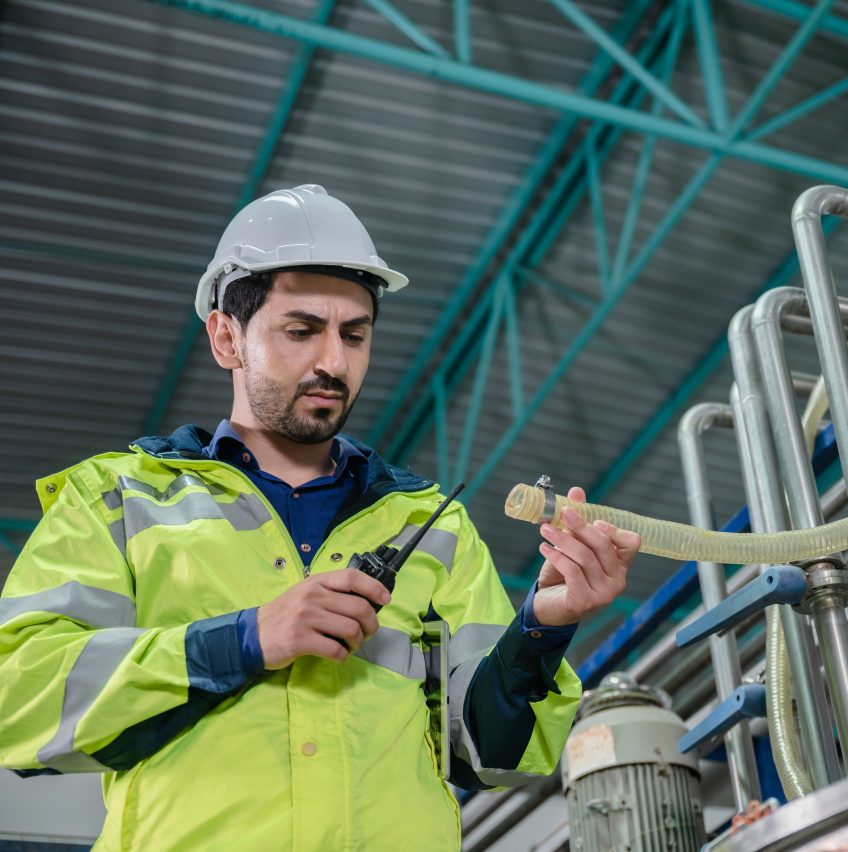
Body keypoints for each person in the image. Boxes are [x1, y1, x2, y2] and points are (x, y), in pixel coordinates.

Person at [0, 184, 640, 850]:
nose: (333, 362)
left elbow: (494, 756)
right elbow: (18, 701)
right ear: (226, 337)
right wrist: (247, 638)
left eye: (354, 335)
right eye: (301, 330)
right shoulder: (118, 500)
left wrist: (542, 628)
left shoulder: (432, 525)